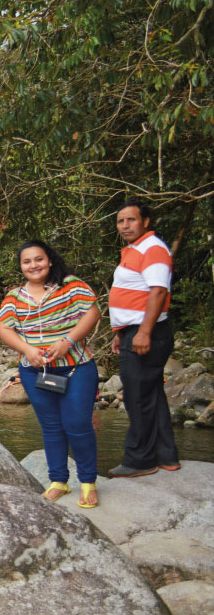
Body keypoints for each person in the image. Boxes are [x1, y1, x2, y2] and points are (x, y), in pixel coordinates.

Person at [0, 241, 101, 509]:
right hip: (35, 371)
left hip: (76, 367)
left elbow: (92, 313)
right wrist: (27, 350)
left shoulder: (70, 285)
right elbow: (4, 329)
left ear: (49, 260)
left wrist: (66, 342)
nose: (33, 265)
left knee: (78, 424)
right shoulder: (15, 297)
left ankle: (88, 483)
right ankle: (58, 482)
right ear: (21, 266)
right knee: (52, 427)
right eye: (27, 261)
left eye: (38, 259)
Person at [108, 201, 179, 477]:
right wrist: (120, 332)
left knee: (137, 399)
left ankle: (140, 461)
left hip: (146, 332)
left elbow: (158, 292)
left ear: (146, 222)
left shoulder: (153, 248)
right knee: (151, 395)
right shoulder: (135, 250)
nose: (125, 225)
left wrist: (144, 332)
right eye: (120, 221)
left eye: (131, 220)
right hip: (134, 331)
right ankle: (166, 456)